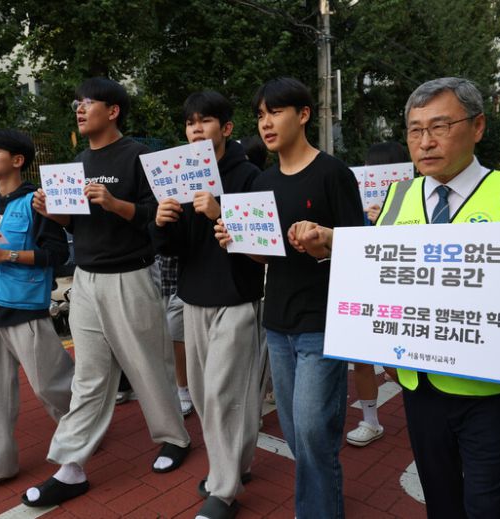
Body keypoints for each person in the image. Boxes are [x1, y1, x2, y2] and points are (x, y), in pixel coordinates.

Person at [290, 77, 500, 519]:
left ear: (477, 126)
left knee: (490, 507)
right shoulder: (398, 196)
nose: (425, 142)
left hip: (494, 392)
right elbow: (379, 268)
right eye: (415, 130)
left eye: (440, 127)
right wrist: (330, 242)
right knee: (441, 502)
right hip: (420, 388)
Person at [24, 77, 190, 507]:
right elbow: (77, 224)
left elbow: (160, 216)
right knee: (89, 375)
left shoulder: (139, 157)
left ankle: (174, 439)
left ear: (113, 111)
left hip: (131, 276)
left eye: (89, 103)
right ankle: (71, 466)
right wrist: (54, 214)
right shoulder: (78, 161)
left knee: (148, 365)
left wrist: (116, 203)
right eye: (77, 103)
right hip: (85, 280)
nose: (79, 109)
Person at [215, 78, 363, 519]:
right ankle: (323, 498)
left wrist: (323, 243)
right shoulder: (263, 181)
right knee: (299, 433)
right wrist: (237, 240)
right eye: (260, 115)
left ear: (302, 115)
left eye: (275, 112)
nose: (266, 123)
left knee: (316, 429)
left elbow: (359, 249)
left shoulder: (333, 173)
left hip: (323, 322)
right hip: (277, 322)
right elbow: (267, 255)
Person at [152, 90, 265, 519]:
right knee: (203, 394)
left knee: (224, 394)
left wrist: (221, 213)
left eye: (205, 122)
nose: (196, 130)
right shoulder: (181, 177)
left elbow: (260, 244)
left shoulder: (249, 176)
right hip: (194, 295)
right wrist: (162, 223)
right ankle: (237, 465)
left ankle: (223, 490)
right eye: (189, 123)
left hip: (237, 296)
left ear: (226, 128)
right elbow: (174, 247)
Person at [0, 129, 74, 498]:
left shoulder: (36, 202)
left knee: (53, 386)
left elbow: (57, 256)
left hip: (26, 310)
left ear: (18, 160)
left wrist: (6, 255)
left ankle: (81, 434)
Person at [345, 141, 410, 448]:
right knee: (361, 359)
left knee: (399, 363)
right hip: (366, 288)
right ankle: (370, 420)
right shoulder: (358, 205)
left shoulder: (416, 203)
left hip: (402, 293)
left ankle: (423, 407)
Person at [151, 254, 194, 416]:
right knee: (160, 337)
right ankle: (175, 386)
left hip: (182, 281)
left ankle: (183, 388)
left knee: (175, 336)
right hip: (154, 279)